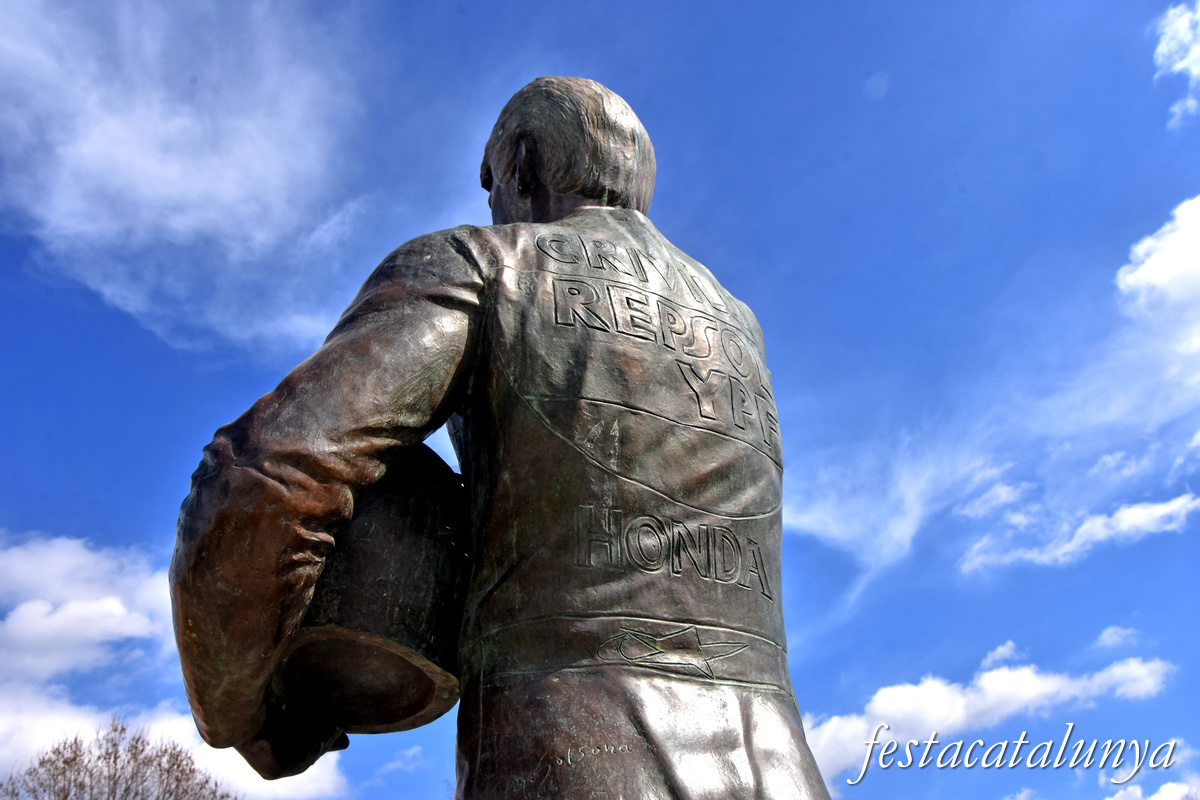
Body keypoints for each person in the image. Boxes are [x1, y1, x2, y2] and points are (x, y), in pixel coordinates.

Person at [171, 76, 831, 799]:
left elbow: (264, 476)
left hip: (569, 763)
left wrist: (245, 713)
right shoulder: (736, 328)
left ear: (517, 163)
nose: (491, 201)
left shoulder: (482, 265)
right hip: (781, 770)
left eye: (490, 180)